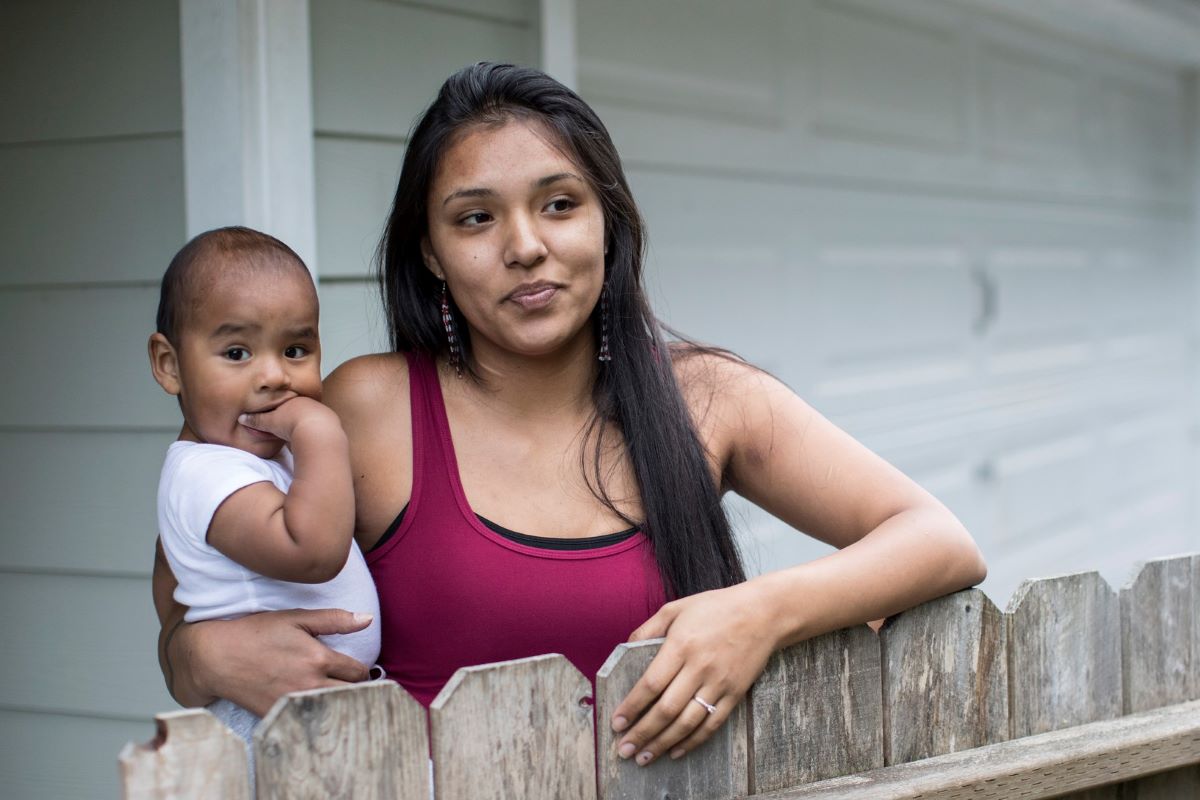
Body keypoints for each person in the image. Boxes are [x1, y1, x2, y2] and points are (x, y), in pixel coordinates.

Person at [153, 63, 985, 768]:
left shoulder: (709, 399)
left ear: (608, 222)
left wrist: (758, 612)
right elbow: (189, 581)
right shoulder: (362, 408)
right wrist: (195, 657)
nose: (524, 246)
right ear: (431, 253)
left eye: (559, 203)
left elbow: (938, 540)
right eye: (476, 218)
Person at [148, 227, 381, 747]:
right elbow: (315, 552)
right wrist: (320, 430)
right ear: (169, 365)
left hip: (310, 715)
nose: (275, 375)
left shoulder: (263, 460)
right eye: (236, 353)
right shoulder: (204, 472)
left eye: (296, 349)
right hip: (262, 719)